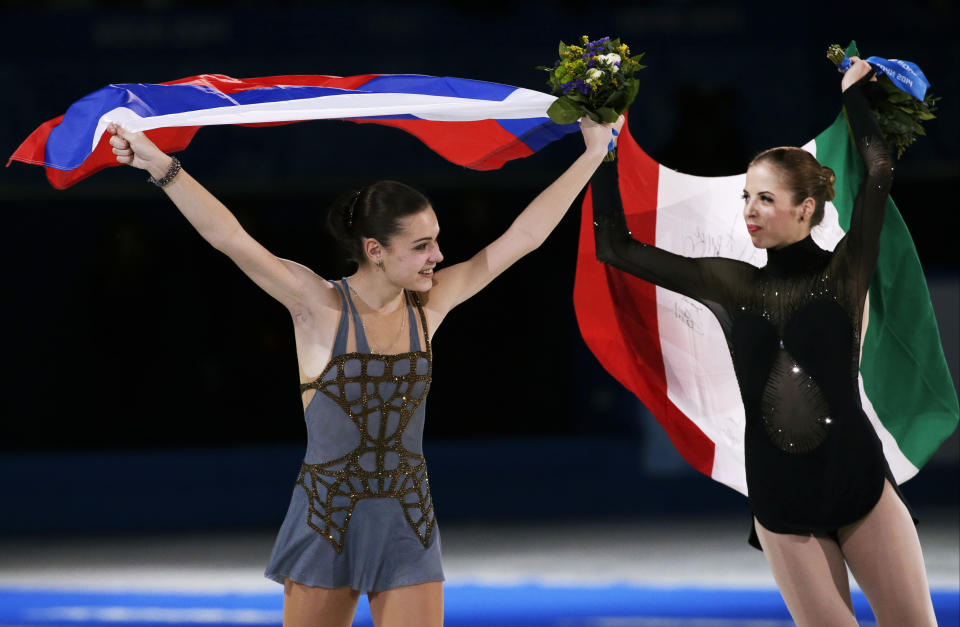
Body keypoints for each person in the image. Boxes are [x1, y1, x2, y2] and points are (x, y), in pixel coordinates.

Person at [106, 115, 621, 627]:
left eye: (436, 241)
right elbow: (231, 238)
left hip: (408, 521)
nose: (438, 257)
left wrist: (593, 153)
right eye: (421, 246)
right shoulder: (319, 305)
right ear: (374, 251)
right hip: (325, 517)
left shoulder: (431, 305)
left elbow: (525, 236)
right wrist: (164, 167)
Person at [590, 58, 937, 626]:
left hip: (859, 484)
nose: (750, 210)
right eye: (747, 197)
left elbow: (878, 171)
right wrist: (604, 143)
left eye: (765, 199)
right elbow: (616, 248)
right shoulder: (731, 283)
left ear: (805, 209)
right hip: (780, 501)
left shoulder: (845, 271)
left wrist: (852, 95)